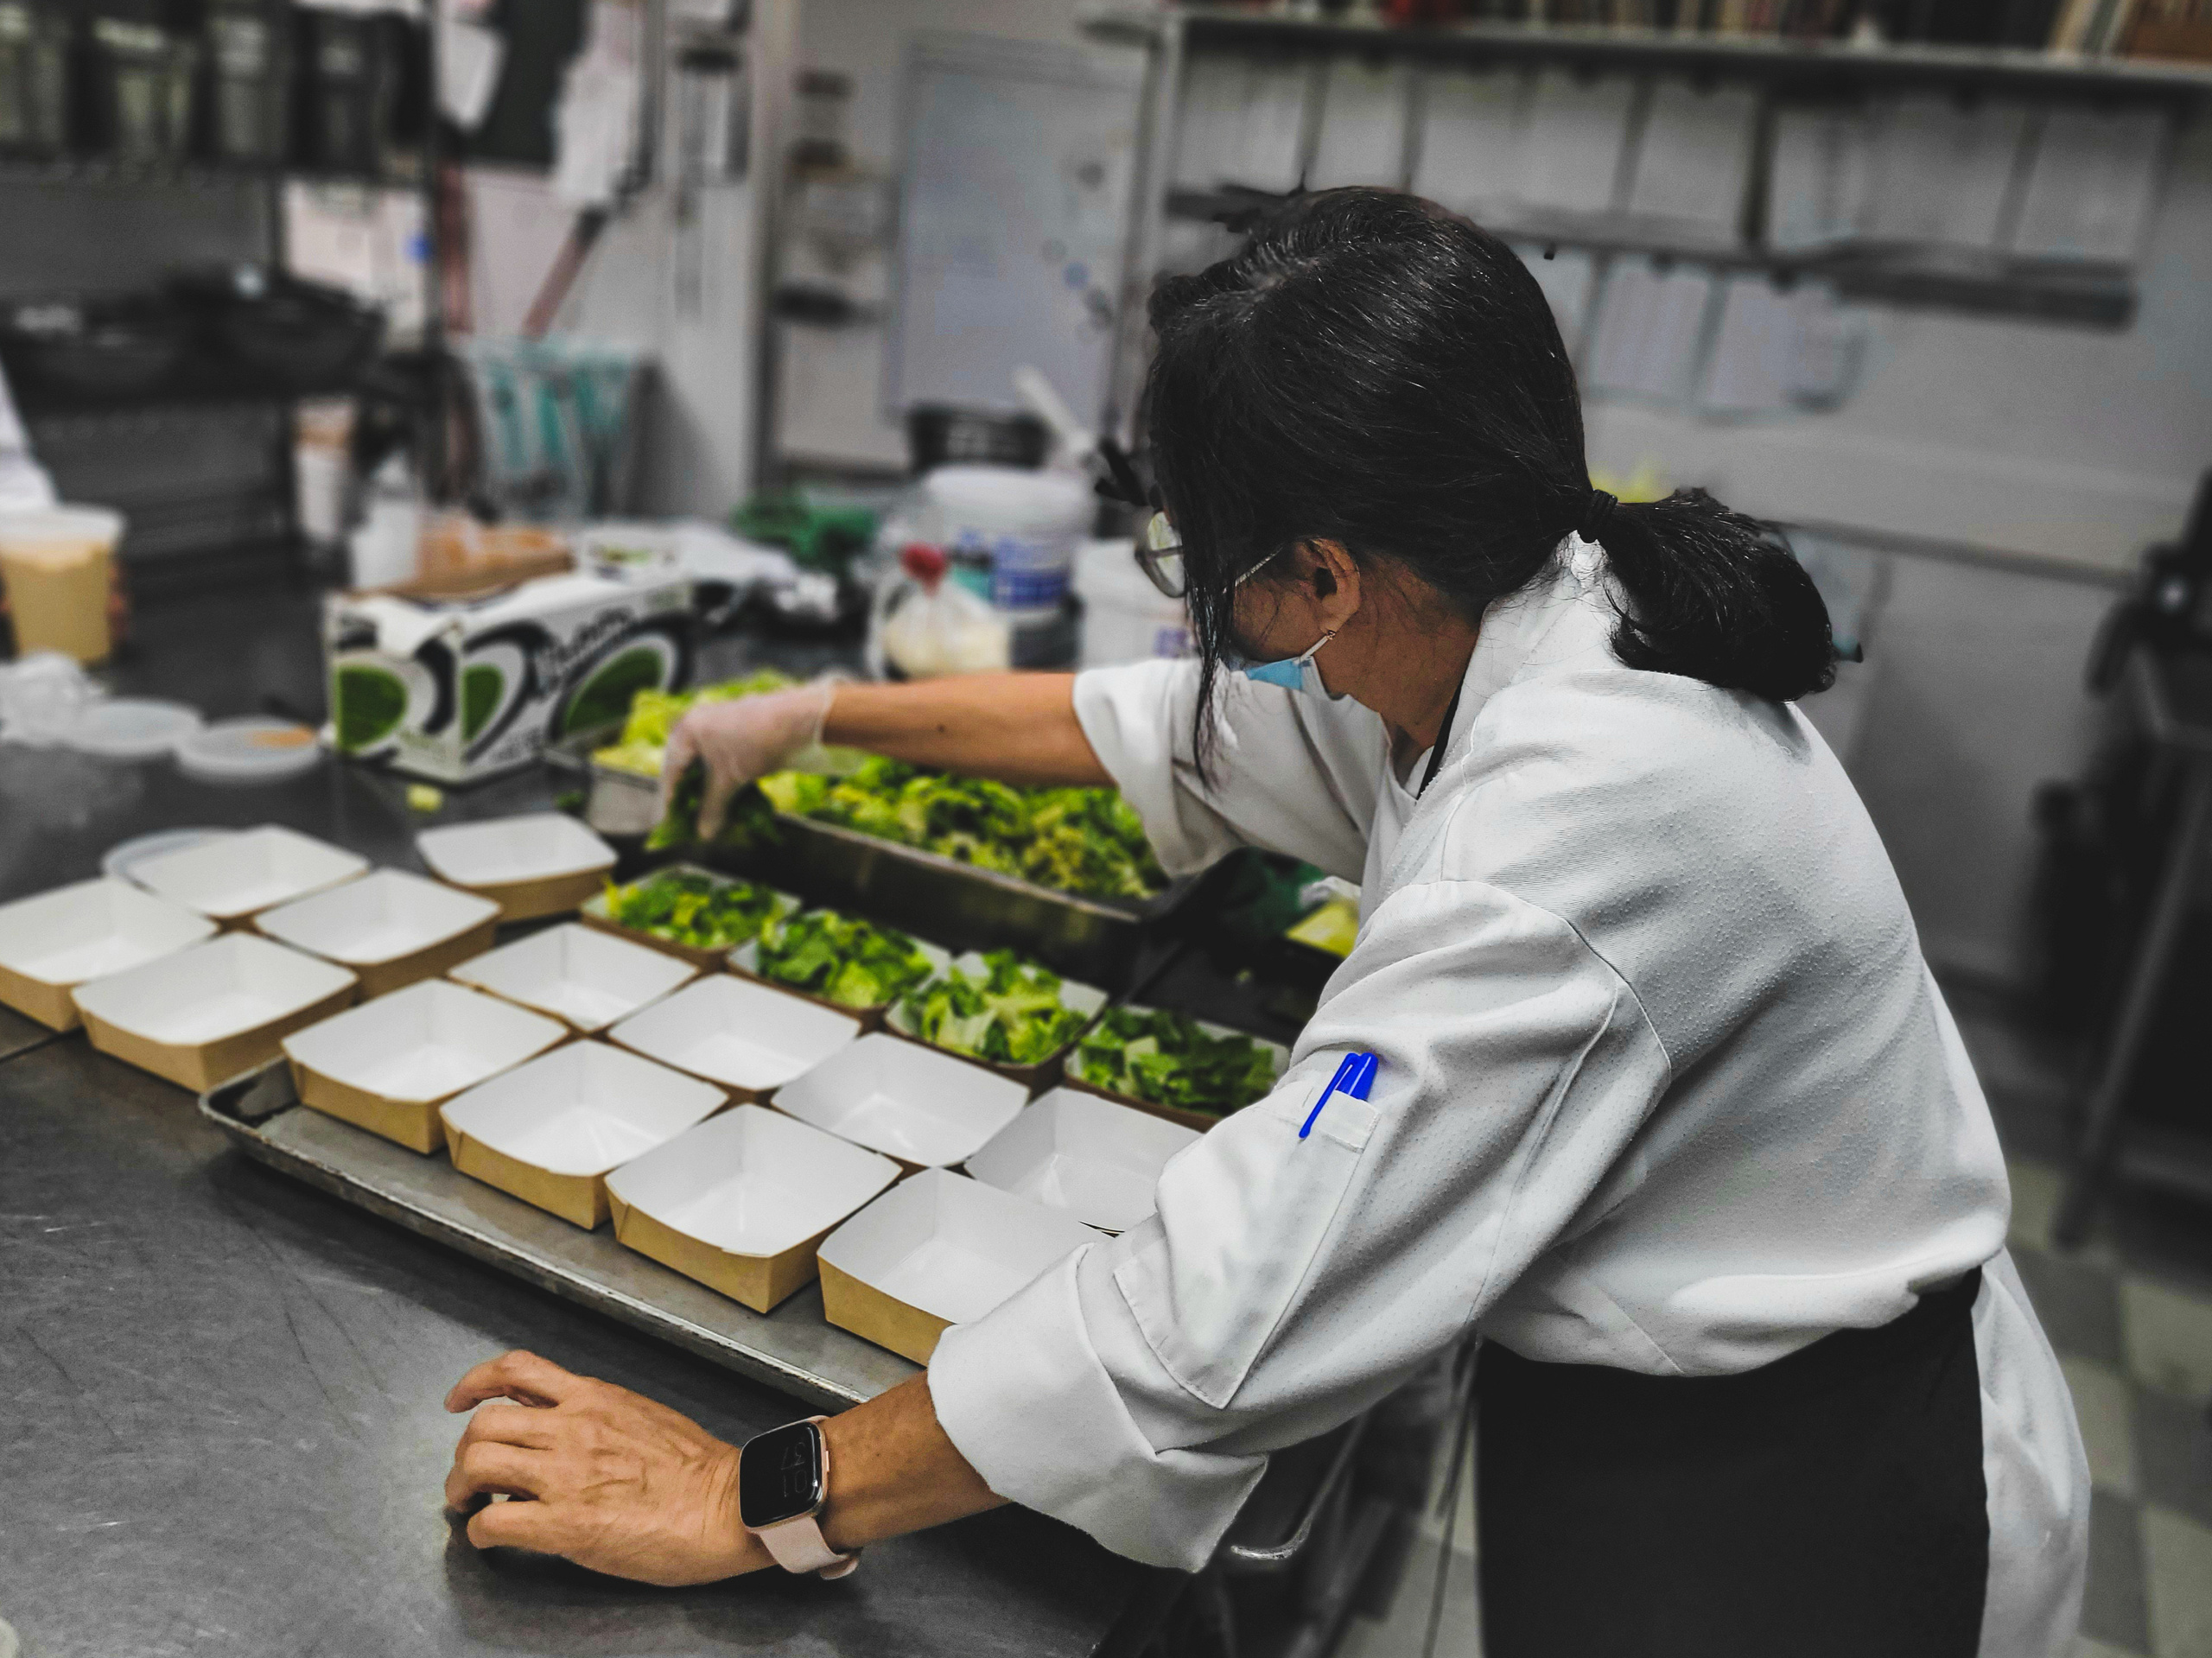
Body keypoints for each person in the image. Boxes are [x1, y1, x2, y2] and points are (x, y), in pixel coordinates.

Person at [442, 189, 2088, 1655]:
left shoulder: (1572, 830)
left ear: (1322, 575)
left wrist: (751, 1496)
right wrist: (815, 716)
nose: (1206, 614)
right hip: (1657, 1419)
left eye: (1208, 567)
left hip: (1808, 1494)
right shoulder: (1504, 603)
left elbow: (1210, 1322)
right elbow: (1149, 728)